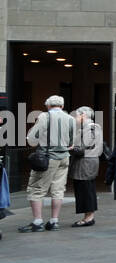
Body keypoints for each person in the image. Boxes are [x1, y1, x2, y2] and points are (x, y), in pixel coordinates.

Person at [18, 95, 77, 233]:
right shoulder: (70, 119)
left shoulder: (44, 116)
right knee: (58, 190)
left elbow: (32, 139)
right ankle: (54, 221)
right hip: (64, 158)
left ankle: (37, 222)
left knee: (36, 189)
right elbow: (71, 143)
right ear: (62, 106)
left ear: (48, 106)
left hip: (48, 158)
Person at [69, 106, 103, 227]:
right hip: (85, 163)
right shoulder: (88, 128)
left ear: (83, 115)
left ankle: (89, 218)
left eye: (77, 115)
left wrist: (71, 148)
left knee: (86, 190)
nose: (75, 118)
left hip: (86, 164)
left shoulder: (91, 128)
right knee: (84, 190)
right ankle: (87, 216)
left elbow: (85, 148)